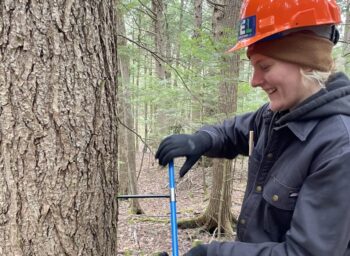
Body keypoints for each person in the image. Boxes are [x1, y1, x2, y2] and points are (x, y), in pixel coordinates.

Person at [155, 0, 350, 255]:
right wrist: (202, 140)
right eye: (253, 66)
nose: (254, 81)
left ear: (308, 60)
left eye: (265, 66)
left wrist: (212, 254)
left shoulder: (339, 149)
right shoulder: (279, 114)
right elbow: (236, 130)